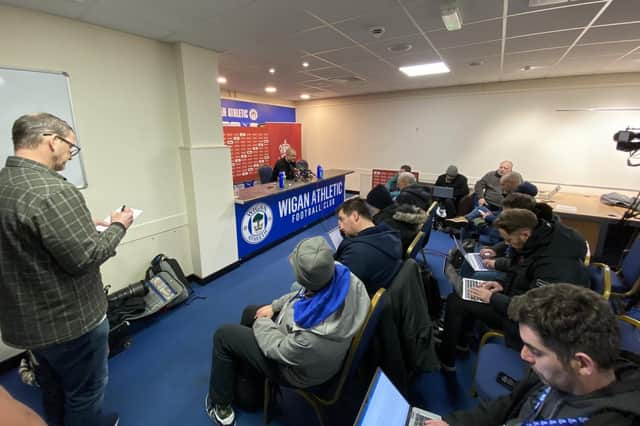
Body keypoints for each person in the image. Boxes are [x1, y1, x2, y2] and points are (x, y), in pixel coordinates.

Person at [0, 113, 134, 426]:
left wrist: (80, 227)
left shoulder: (6, 183)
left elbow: (21, 237)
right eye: (70, 148)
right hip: (71, 322)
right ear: (52, 141)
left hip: (29, 322)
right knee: (85, 391)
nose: (69, 157)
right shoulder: (55, 190)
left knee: (52, 384)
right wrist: (118, 225)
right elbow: (87, 257)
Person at [205, 237, 370, 426]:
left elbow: (277, 349)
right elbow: (301, 294)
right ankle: (247, 381)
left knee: (224, 335)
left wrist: (262, 322)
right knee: (251, 310)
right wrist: (275, 306)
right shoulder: (342, 276)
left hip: (294, 370)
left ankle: (221, 404)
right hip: (318, 354)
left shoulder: (310, 337)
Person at [426, 284, 640, 426]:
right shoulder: (554, 375)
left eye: (535, 350)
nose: (524, 355)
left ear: (583, 363)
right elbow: (507, 404)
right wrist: (452, 423)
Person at [437, 209, 589, 371]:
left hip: (539, 325)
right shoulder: (545, 241)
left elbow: (537, 309)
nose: (507, 245)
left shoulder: (554, 264)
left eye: (509, 240)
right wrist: (503, 286)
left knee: (457, 301)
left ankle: (446, 358)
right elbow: (526, 274)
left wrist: (493, 298)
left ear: (524, 234)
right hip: (524, 302)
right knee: (469, 294)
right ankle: (460, 343)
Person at [335, 198, 403, 295]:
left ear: (355, 216)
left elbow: (337, 287)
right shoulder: (390, 235)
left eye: (342, 219)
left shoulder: (357, 253)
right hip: (386, 295)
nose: (340, 227)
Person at [366, 184, 427, 252]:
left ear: (377, 205)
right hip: (407, 243)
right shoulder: (399, 207)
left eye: (370, 205)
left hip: (398, 251)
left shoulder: (384, 222)